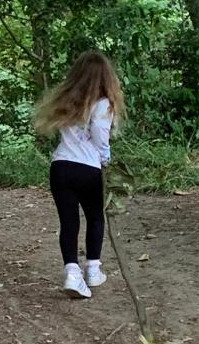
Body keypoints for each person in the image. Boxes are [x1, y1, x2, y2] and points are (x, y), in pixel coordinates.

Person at [34, 50, 125, 299]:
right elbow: (99, 133)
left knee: (69, 222)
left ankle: (72, 272)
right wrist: (106, 157)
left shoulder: (69, 101)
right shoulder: (104, 103)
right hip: (88, 168)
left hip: (61, 166)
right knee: (95, 217)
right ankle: (93, 269)